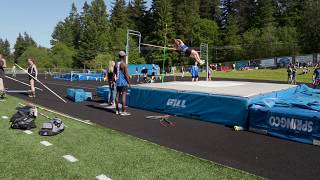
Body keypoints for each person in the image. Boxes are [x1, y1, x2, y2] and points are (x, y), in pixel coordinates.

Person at [114, 51, 131, 116]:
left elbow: (114, 74)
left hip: (118, 82)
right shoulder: (124, 64)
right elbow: (126, 75)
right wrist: (129, 83)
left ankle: (117, 110)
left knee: (117, 95)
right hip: (123, 83)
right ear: (123, 56)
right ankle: (123, 111)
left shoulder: (116, 64)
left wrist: (113, 81)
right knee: (124, 96)